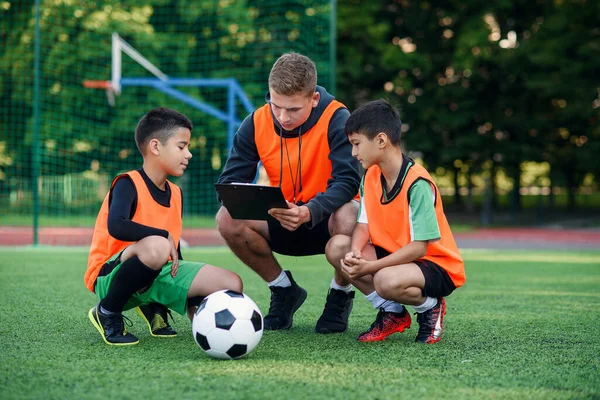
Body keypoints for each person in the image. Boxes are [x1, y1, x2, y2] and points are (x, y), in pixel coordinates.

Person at [216, 52, 361, 333]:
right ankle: (283, 290)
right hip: (280, 219)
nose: (283, 116)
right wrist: (264, 204)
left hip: (325, 222)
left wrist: (309, 211)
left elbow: (347, 181)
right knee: (226, 217)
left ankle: (339, 295)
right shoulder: (255, 122)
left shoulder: (338, 118)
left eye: (293, 109)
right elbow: (230, 182)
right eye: (276, 105)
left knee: (350, 212)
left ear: (314, 99)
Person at [84, 107, 242, 346]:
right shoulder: (127, 183)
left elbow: (175, 253)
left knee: (232, 283)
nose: (188, 154)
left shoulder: (176, 193)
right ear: (156, 147)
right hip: (109, 276)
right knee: (158, 246)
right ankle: (107, 312)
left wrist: (191, 302)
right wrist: (161, 235)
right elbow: (117, 226)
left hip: (157, 270)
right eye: (182, 147)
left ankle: (154, 305)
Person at [325, 99, 466, 344]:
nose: (353, 153)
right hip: (394, 256)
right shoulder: (371, 176)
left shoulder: (417, 183)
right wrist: (356, 253)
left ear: (381, 140)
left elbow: (419, 247)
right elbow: (363, 225)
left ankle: (430, 307)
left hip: (433, 265)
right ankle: (392, 313)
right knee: (338, 248)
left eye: (356, 144)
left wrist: (369, 268)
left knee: (384, 279)